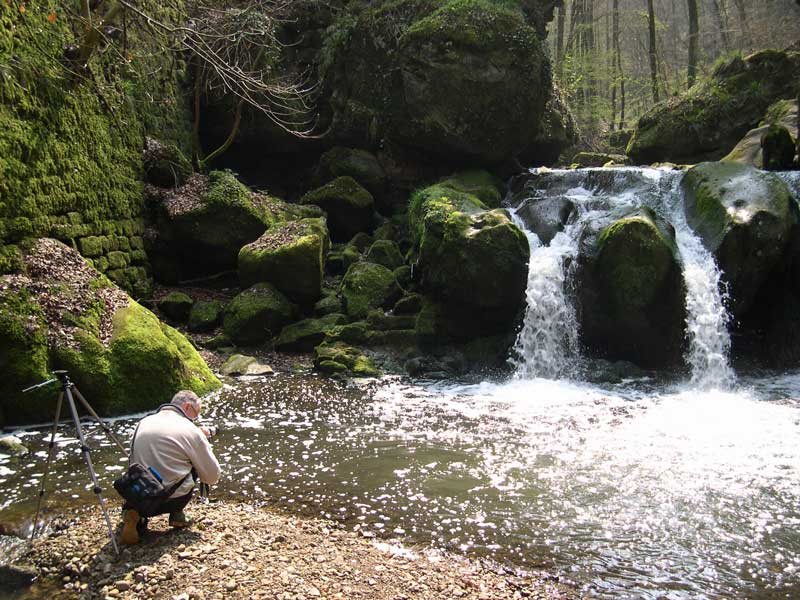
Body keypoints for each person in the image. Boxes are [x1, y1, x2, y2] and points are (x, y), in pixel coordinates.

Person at [120, 390, 220, 545]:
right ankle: (177, 515)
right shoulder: (190, 429)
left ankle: (134, 514)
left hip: (138, 494)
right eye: (196, 413)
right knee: (193, 466)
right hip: (169, 499)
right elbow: (212, 477)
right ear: (187, 407)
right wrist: (201, 443)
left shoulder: (144, 422)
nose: (196, 419)